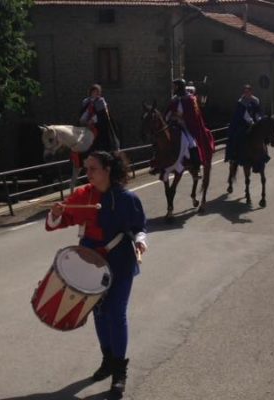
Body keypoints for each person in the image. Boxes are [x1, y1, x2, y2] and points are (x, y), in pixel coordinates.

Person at [46, 151, 147, 395]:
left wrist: (142, 241)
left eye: (92, 168)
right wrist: (56, 214)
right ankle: (108, 359)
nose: (87, 173)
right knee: (98, 313)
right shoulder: (83, 196)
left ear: (108, 170)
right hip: (90, 262)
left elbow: (140, 227)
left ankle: (119, 372)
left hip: (120, 261)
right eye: (87, 168)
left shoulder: (127, 198)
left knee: (116, 312)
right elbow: (56, 223)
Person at [166, 78, 214, 168]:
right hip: (174, 124)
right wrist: (167, 118)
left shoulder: (190, 99)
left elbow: (194, 115)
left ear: (180, 87)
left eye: (175, 86)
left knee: (192, 143)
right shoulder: (174, 99)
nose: (173, 88)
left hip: (186, 125)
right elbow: (169, 111)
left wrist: (181, 117)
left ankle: (195, 163)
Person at [226, 84, 263, 164]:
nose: (247, 93)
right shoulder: (241, 101)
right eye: (245, 92)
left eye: (248, 91)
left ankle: (263, 153)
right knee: (238, 135)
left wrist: (258, 119)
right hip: (243, 123)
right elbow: (244, 114)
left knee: (263, 133)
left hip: (254, 122)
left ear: (251, 92)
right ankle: (234, 155)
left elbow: (257, 111)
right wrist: (251, 122)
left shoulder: (255, 100)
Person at [80, 84, 120, 152]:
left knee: (99, 135)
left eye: (97, 92)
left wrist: (92, 120)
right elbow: (84, 112)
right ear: (91, 92)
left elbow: (102, 115)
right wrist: (83, 119)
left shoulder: (100, 101)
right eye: (94, 91)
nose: (95, 93)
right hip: (86, 124)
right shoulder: (86, 101)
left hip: (98, 124)